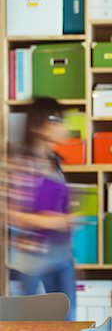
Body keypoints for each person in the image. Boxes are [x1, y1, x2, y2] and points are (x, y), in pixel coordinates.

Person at [5, 97, 76, 320]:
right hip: (31, 262)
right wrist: (48, 221)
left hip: (61, 256)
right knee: (29, 323)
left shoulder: (54, 160)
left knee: (67, 319)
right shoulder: (19, 161)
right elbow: (8, 213)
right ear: (37, 124)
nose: (61, 125)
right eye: (55, 119)